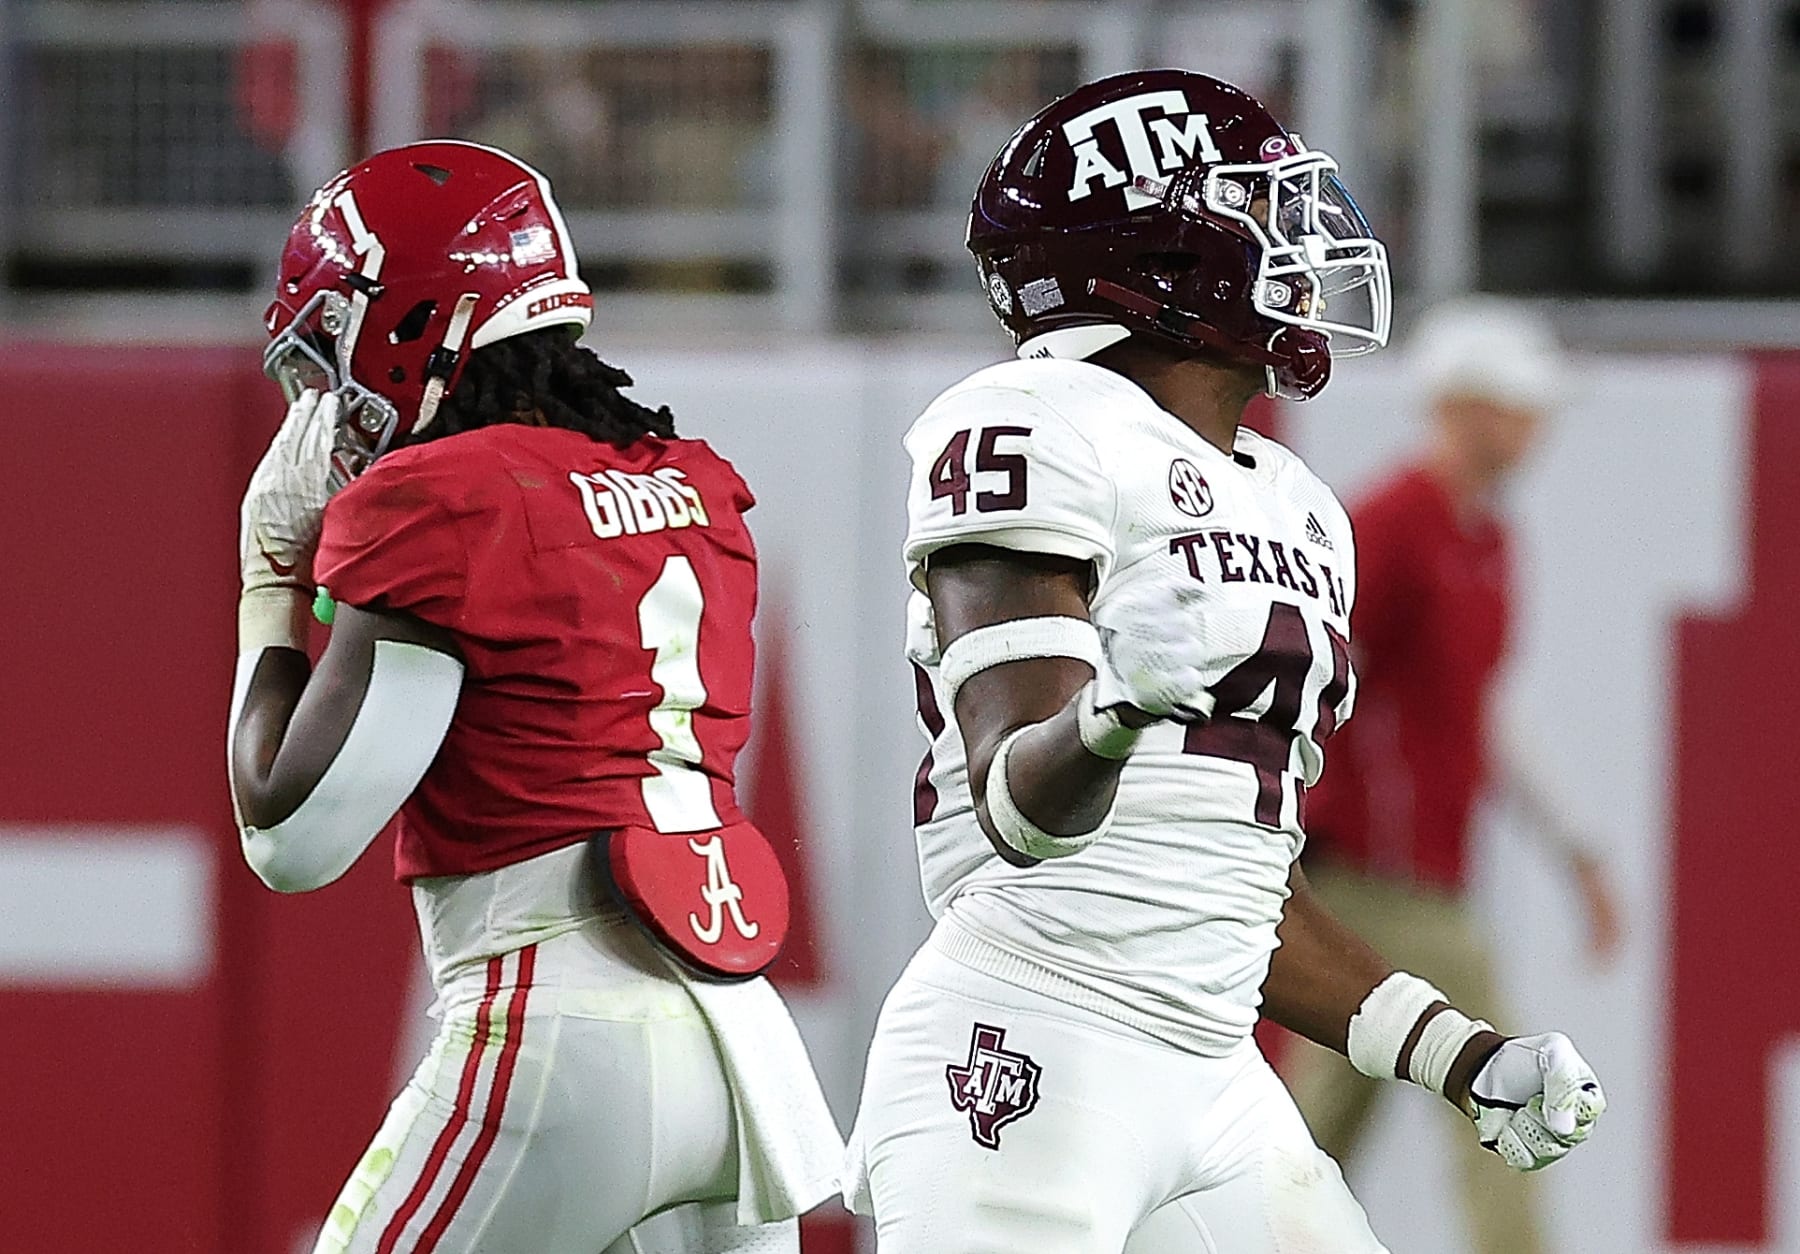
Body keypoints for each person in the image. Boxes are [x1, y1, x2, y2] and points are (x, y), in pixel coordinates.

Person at [842, 70, 1606, 1254]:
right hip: (1031, 1035)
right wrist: (1112, 712)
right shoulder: (1033, 420)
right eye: (1262, 208)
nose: (1305, 240)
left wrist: (1468, 1058)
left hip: (1214, 1075)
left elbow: (1245, 904)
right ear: (1156, 252)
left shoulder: (1299, 505)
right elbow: (1012, 805)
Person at [227, 140, 840, 1254]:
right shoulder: (691, 481)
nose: (324, 399)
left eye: (330, 357)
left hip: (558, 1033)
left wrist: (270, 584)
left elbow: (292, 834)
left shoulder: (441, 497)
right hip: (741, 1051)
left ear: (405, 323)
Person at [1283, 298, 1623, 1254]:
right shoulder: (1389, 527)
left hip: (1419, 871)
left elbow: (1478, 713)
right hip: (1372, 875)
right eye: (1521, 406)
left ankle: (1227, 1236)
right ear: (1469, 407)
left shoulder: (1486, 539)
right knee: (1508, 1086)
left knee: (1320, 1122)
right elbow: (1306, 675)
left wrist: (1578, 851)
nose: (1539, 427)